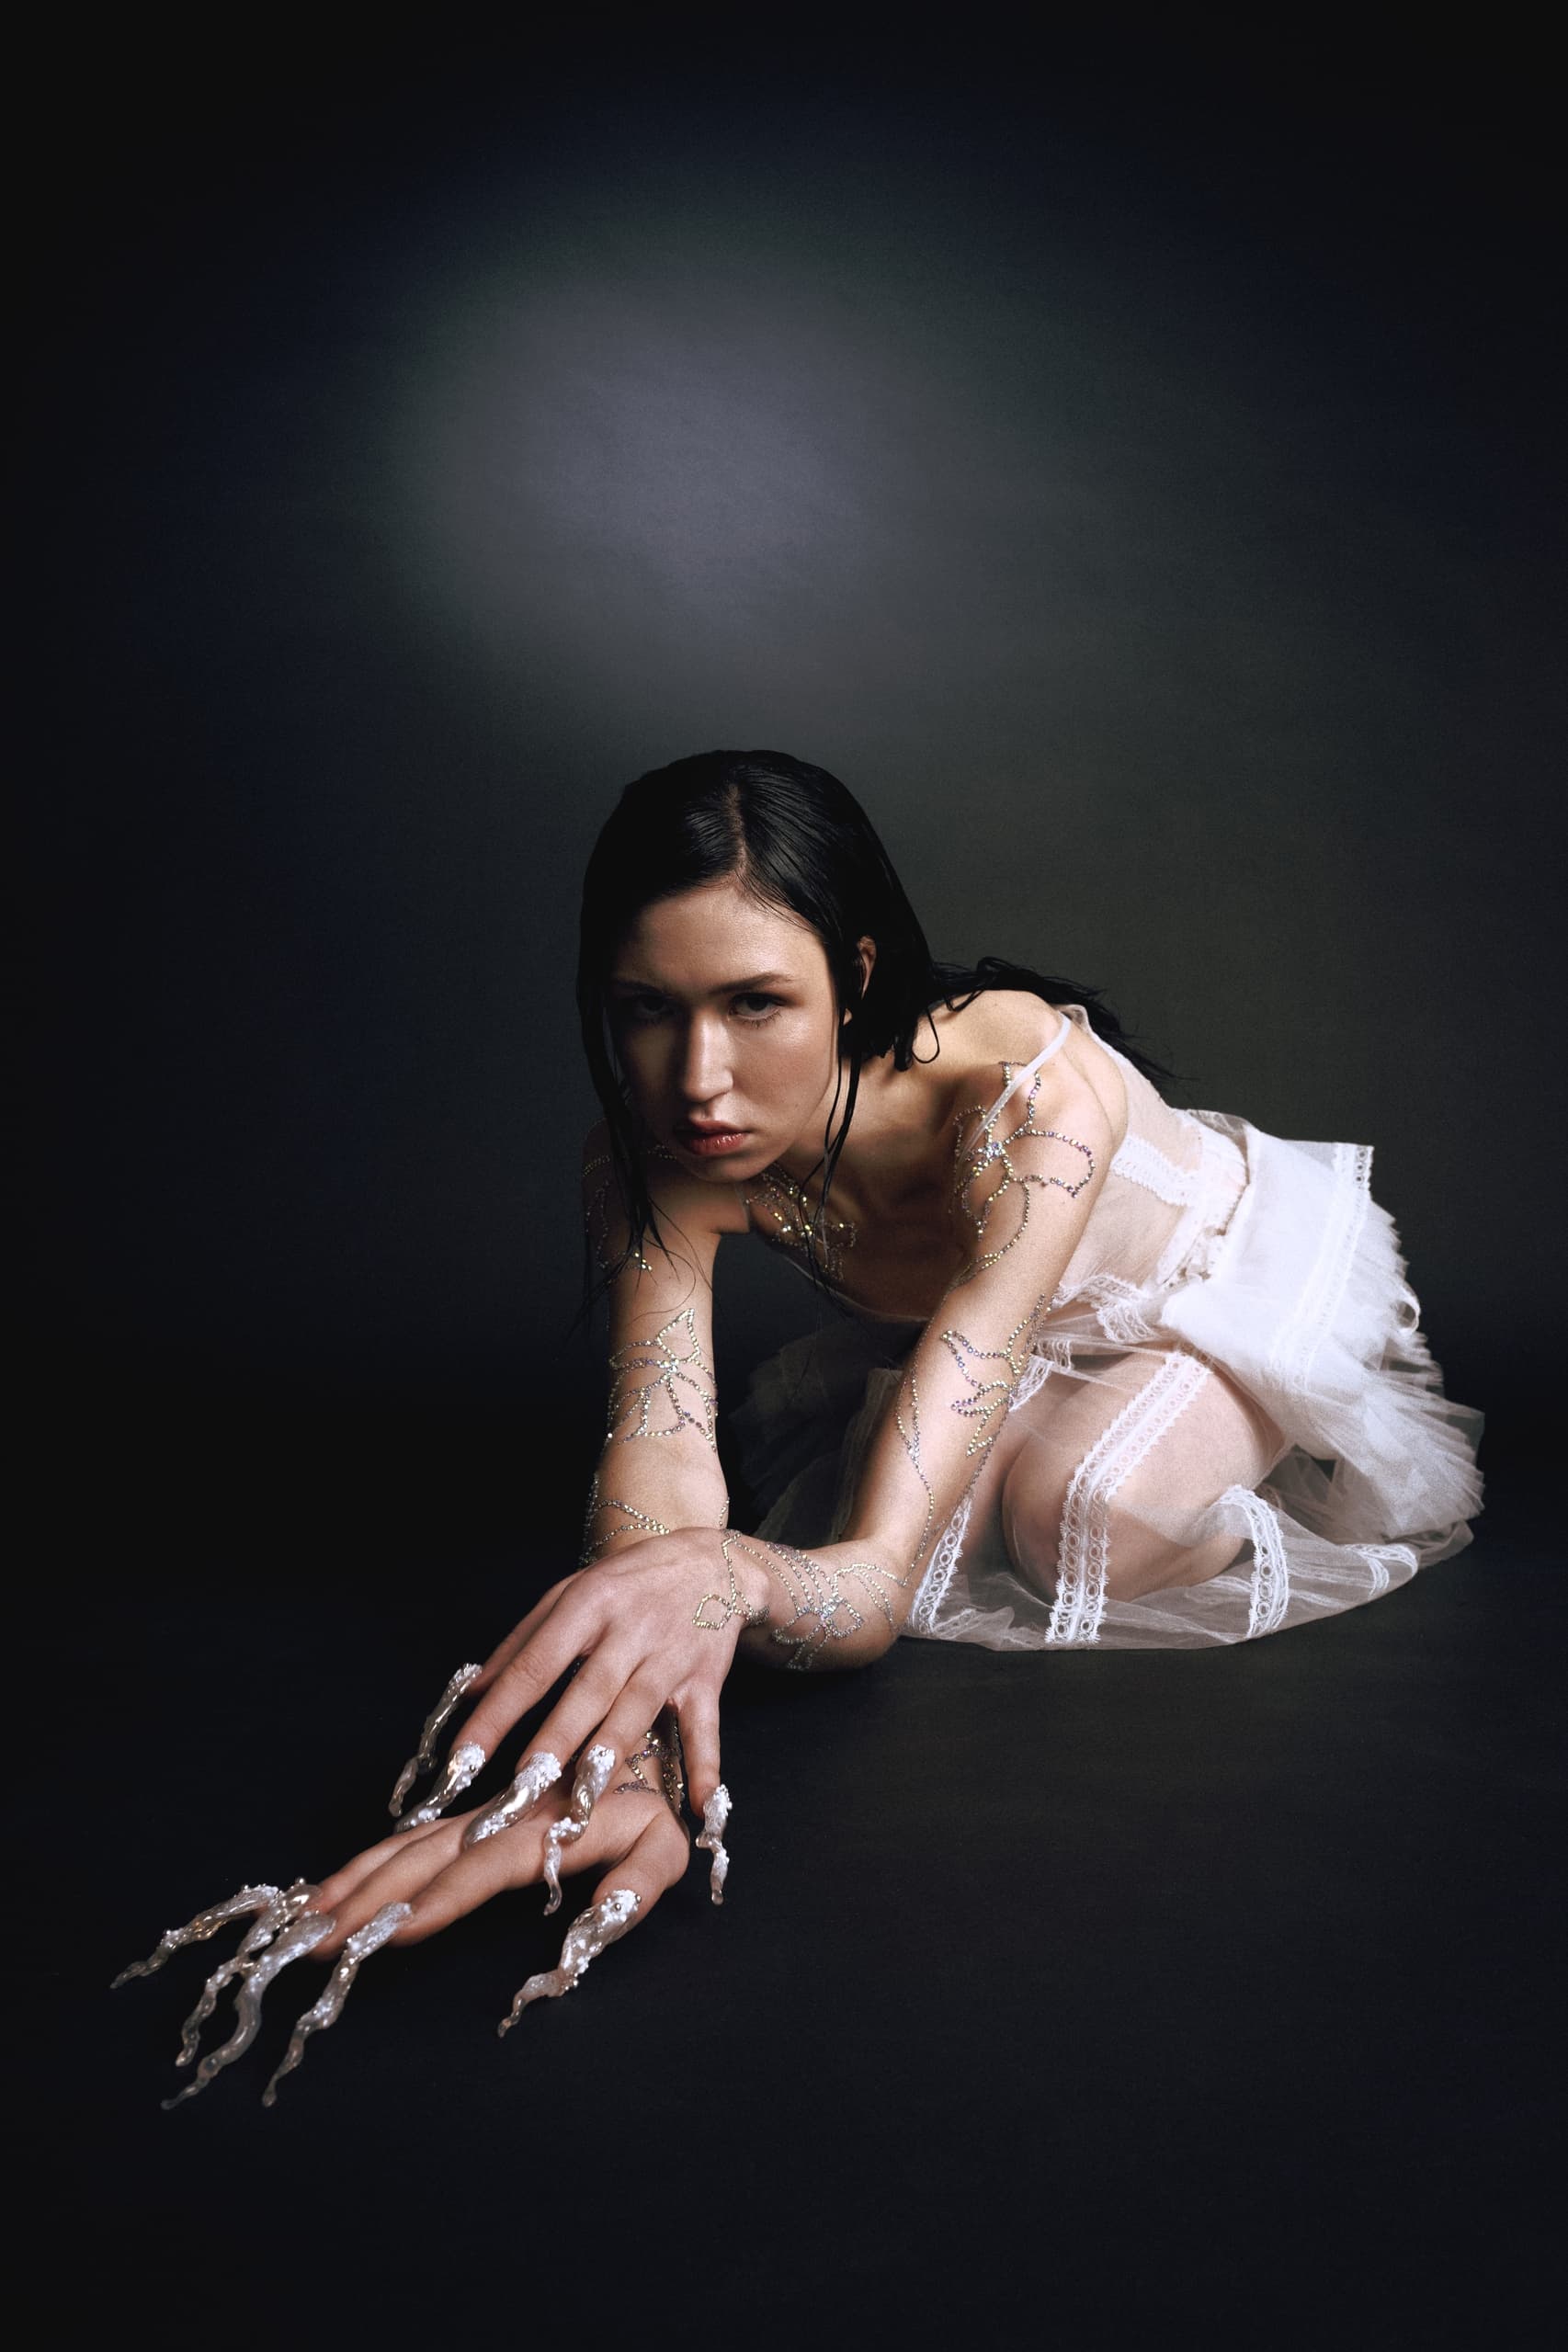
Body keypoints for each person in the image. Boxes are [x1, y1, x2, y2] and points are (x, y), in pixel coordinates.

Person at [116, 749, 1484, 2098]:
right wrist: (623, 1754)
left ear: (862, 977)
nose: (697, 1079)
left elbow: (872, 1582)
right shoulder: (655, 1161)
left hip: (1193, 1275)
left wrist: (733, 1574)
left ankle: (1263, 1427)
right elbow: (655, 1453)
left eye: (757, 1003)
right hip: (983, 1323)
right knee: (884, 1512)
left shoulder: (1022, 1106)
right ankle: (1068, 1427)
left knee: (1080, 1517)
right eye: (646, 1009)